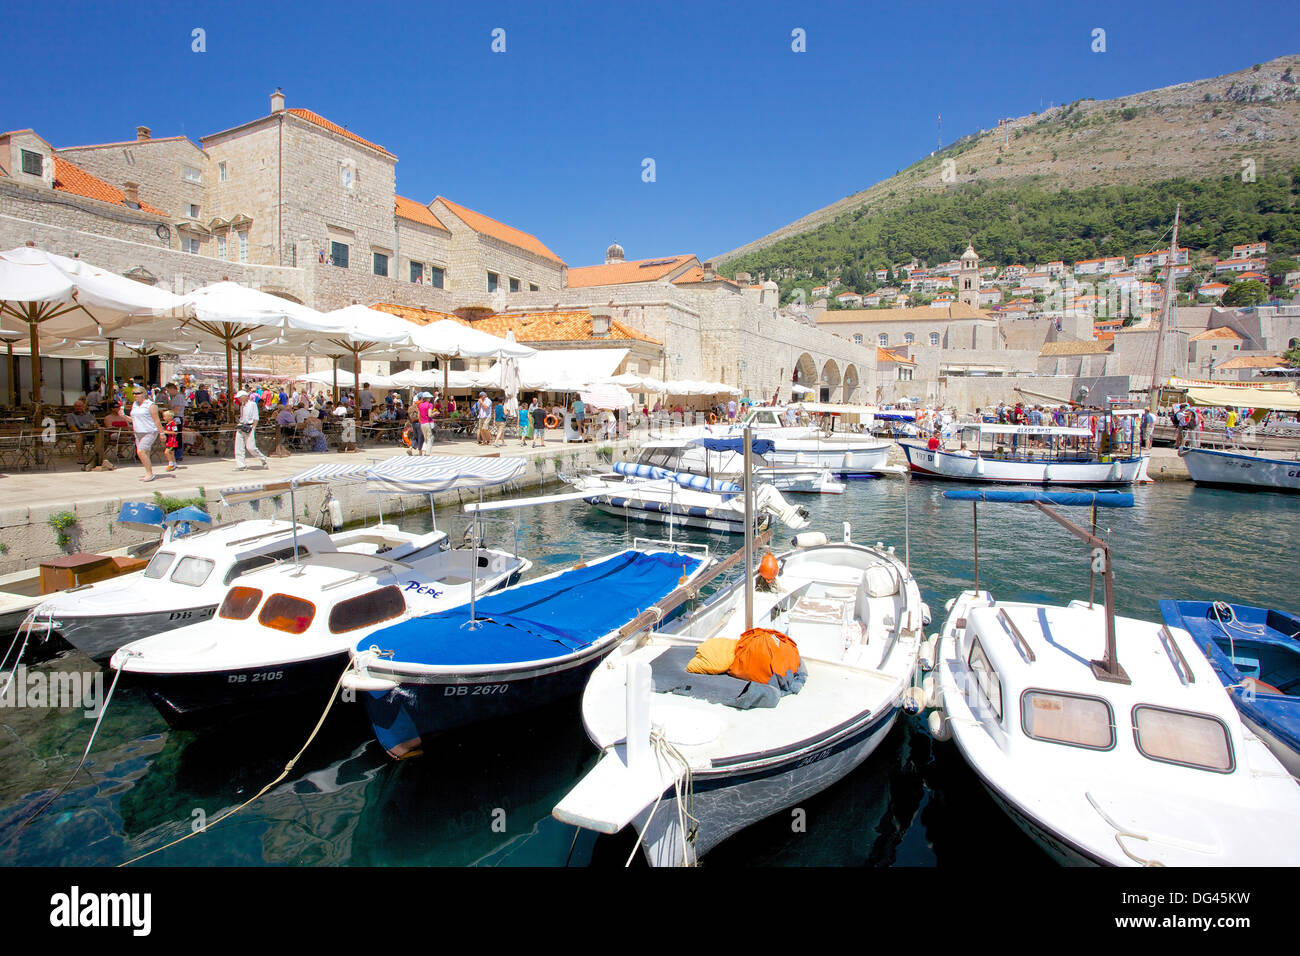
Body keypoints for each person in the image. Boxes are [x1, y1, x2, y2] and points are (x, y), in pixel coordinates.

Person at [130, 387, 163, 481]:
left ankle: (150, 473)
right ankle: (148, 471)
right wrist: (123, 416)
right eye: (134, 393)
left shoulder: (150, 405)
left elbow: (157, 420)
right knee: (145, 453)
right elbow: (134, 419)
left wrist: (162, 433)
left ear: (144, 393)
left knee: (141, 451)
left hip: (149, 431)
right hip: (138, 431)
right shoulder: (135, 404)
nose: (135, 395)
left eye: (138, 393)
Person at [234, 390, 269, 470]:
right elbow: (243, 417)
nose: (239, 399)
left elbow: (256, 417)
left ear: (245, 397)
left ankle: (263, 458)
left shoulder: (252, 404)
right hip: (242, 426)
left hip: (249, 427)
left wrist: (253, 427)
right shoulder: (242, 406)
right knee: (239, 447)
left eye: (240, 397)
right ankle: (241, 465)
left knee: (251, 447)